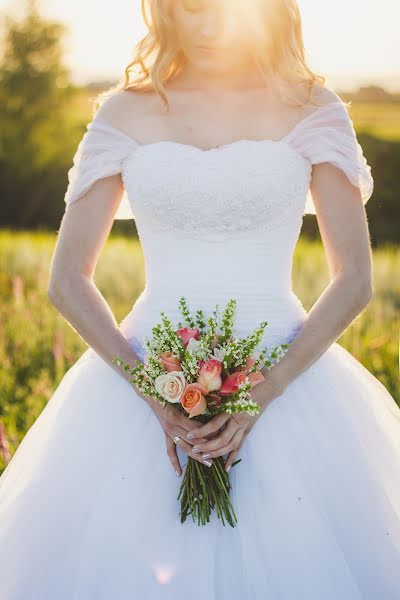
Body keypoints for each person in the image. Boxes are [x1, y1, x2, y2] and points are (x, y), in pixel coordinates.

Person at [1, 0, 400, 598]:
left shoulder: (312, 107)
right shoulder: (125, 111)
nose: (210, 26)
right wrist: (155, 393)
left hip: (290, 377)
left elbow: (355, 280)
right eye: (190, 8)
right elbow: (66, 279)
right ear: (164, 12)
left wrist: (265, 391)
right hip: (143, 384)